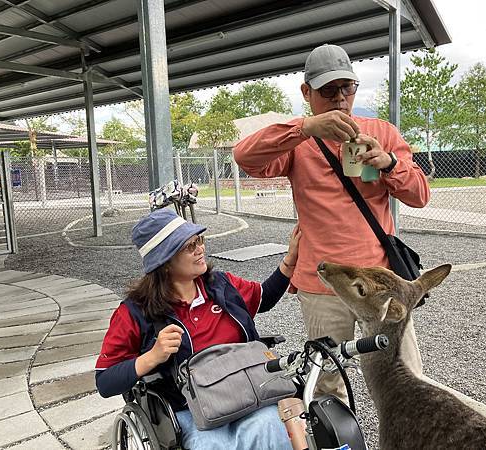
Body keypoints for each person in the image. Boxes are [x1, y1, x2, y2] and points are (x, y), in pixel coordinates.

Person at [233, 44, 430, 404]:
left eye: (347, 88)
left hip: (378, 280)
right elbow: (244, 156)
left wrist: (387, 163)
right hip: (323, 281)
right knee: (326, 383)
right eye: (328, 90)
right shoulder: (297, 140)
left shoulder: (381, 131)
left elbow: (419, 195)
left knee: (405, 377)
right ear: (306, 93)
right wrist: (305, 128)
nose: (340, 98)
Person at [95, 208, 300, 450]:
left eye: (199, 241)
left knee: (268, 425)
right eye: (189, 246)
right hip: (189, 410)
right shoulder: (135, 312)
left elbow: (264, 298)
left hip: (248, 392)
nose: (200, 249)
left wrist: (290, 260)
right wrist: (152, 357)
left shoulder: (222, 285)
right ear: (165, 261)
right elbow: (105, 381)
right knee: (210, 444)